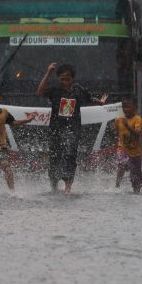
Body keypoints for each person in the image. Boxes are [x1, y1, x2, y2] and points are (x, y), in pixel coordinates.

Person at [35, 62, 107, 194]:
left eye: (68, 79)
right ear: (58, 79)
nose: (65, 82)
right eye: (62, 79)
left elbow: (89, 98)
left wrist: (100, 102)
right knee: (55, 156)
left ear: (73, 78)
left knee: (70, 154)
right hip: (56, 128)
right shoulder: (55, 89)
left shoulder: (78, 90)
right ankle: (54, 185)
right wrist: (48, 73)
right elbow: (39, 92)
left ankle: (68, 186)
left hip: (73, 128)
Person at [114, 96, 142, 193]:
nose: (125, 109)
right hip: (122, 148)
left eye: (128, 107)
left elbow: (138, 133)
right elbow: (116, 132)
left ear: (135, 107)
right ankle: (117, 185)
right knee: (122, 164)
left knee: (135, 174)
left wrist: (127, 126)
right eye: (124, 107)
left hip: (135, 151)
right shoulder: (118, 120)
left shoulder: (138, 119)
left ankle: (136, 190)